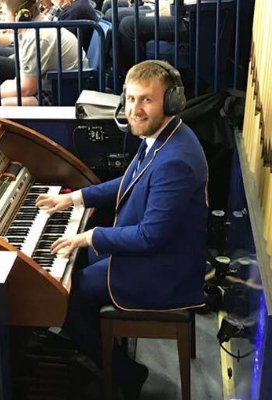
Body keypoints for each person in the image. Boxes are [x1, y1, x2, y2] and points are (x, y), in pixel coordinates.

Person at [35, 60, 208, 399]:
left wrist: (87, 236)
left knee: (65, 294)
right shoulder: (163, 138)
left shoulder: (175, 158)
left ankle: (125, 372)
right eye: (130, 99)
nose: (135, 109)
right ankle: (85, 347)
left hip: (165, 270)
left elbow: (150, 236)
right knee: (75, 264)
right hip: (158, 256)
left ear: (171, 103)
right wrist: (73, 200)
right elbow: (127, 183)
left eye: (147, 100)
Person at [0, 0, 88, 105]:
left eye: (5, 13)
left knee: (3, 104)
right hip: (54, 85)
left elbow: (27, 89)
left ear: (21, 14)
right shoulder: (34, 27)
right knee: (5, 87)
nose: (4, 19)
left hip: (63, 94)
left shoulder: (36, 36)